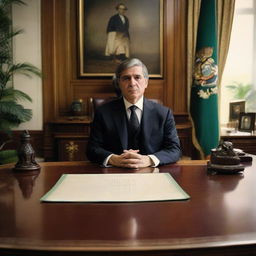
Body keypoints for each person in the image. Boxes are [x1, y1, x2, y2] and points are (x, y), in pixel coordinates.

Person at [87, 58, 181, 168]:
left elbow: (174, 150)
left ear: (146, 82)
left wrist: (149, 160)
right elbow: (92, 149)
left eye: (137, 77)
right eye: (126, 78)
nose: (132, 83)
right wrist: (113, 159)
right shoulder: (103, 112)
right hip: (115, 173)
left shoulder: (164, 114)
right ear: (119, 83)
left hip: (152, 175)